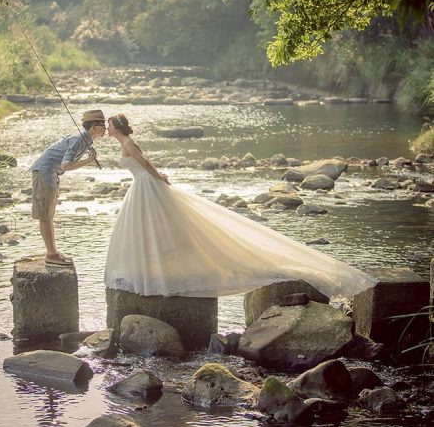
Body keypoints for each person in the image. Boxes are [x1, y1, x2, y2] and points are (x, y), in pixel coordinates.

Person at [104, 113, 377, 299]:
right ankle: (151, 273)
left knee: (159, 229)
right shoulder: (121, 143)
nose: (107, 129)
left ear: (117, 127)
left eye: (108, 125)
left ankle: (160, 276)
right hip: (139, 188)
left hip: (147, 186)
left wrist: (159, 177)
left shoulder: (129, 142)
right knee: (145, 232)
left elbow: (146, 164)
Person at [30, 109, 106, 266]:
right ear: (94, 127)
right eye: (102, 124)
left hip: (50, 174)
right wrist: (88, 161)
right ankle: (51, 255)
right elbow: (66, 165)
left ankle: (53, 252)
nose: (105, 128)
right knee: (45, 215)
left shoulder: (85, 140)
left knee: (49, 214)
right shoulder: (79, 140)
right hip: (44, 173)